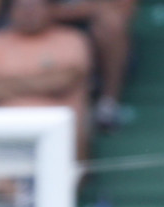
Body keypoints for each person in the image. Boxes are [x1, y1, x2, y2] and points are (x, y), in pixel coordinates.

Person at [0, 0, 93, 161]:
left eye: (34, 6)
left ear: (50, 9)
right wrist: (41, 80)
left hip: (56, 133)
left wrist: (4, 83)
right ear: (10, 11)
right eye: (21, 7)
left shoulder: (72, 39)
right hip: (4, 131)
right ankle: (11, 188)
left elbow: (62, 82)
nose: (28, 12)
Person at [49, 0, 136, 131]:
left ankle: (108, 105)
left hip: (97, 40)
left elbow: (123, 10)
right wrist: (93, 8)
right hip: (46, 30)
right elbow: (27, 11)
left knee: (111, 22)